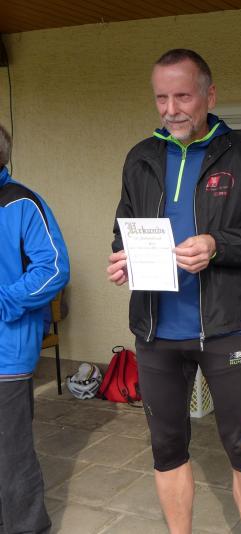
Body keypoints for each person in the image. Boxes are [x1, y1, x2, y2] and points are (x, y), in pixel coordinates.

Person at [106, 49, 241, 534]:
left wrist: (216, 244)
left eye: (182, 96)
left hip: (224, 328)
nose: (171, 109)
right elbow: (123, 230)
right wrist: (122, 259)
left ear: (210, 95)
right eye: (161, 98)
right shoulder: (140, 157)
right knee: (166, 449)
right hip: (156, 331)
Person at [0, 122, 70, 534]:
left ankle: (27, 527)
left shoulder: (23, 203)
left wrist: (5, 300)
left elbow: (54, 268)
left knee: (11, 452)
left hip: (7, 348)